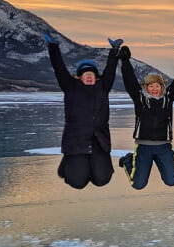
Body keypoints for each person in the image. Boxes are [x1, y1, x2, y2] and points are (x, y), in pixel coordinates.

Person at [117, 41, 174, 189]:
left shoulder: (168, 98)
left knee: (173, 181)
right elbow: (129, 80)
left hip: (164, 146)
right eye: (151, 86)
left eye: (157, 86)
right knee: (138, 184)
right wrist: (125, 61)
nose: (154, 89)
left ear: (162, 87)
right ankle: (128, 160)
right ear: (146, 87)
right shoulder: (140, 98)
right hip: (143, 146)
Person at [45, 33, 122, 189]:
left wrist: (114, 50)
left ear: (96, 77)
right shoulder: (70, 87)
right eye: (85, 74)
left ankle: (92, 165)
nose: (88, 77)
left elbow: (110, 70)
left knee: (102, 180)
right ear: (79, 77)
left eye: (91, 74)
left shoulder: (103, 87)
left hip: (99, 140)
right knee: (77, 183)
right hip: (75, 141)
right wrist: (53, 47)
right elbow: (58, 68)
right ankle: (68, 164)